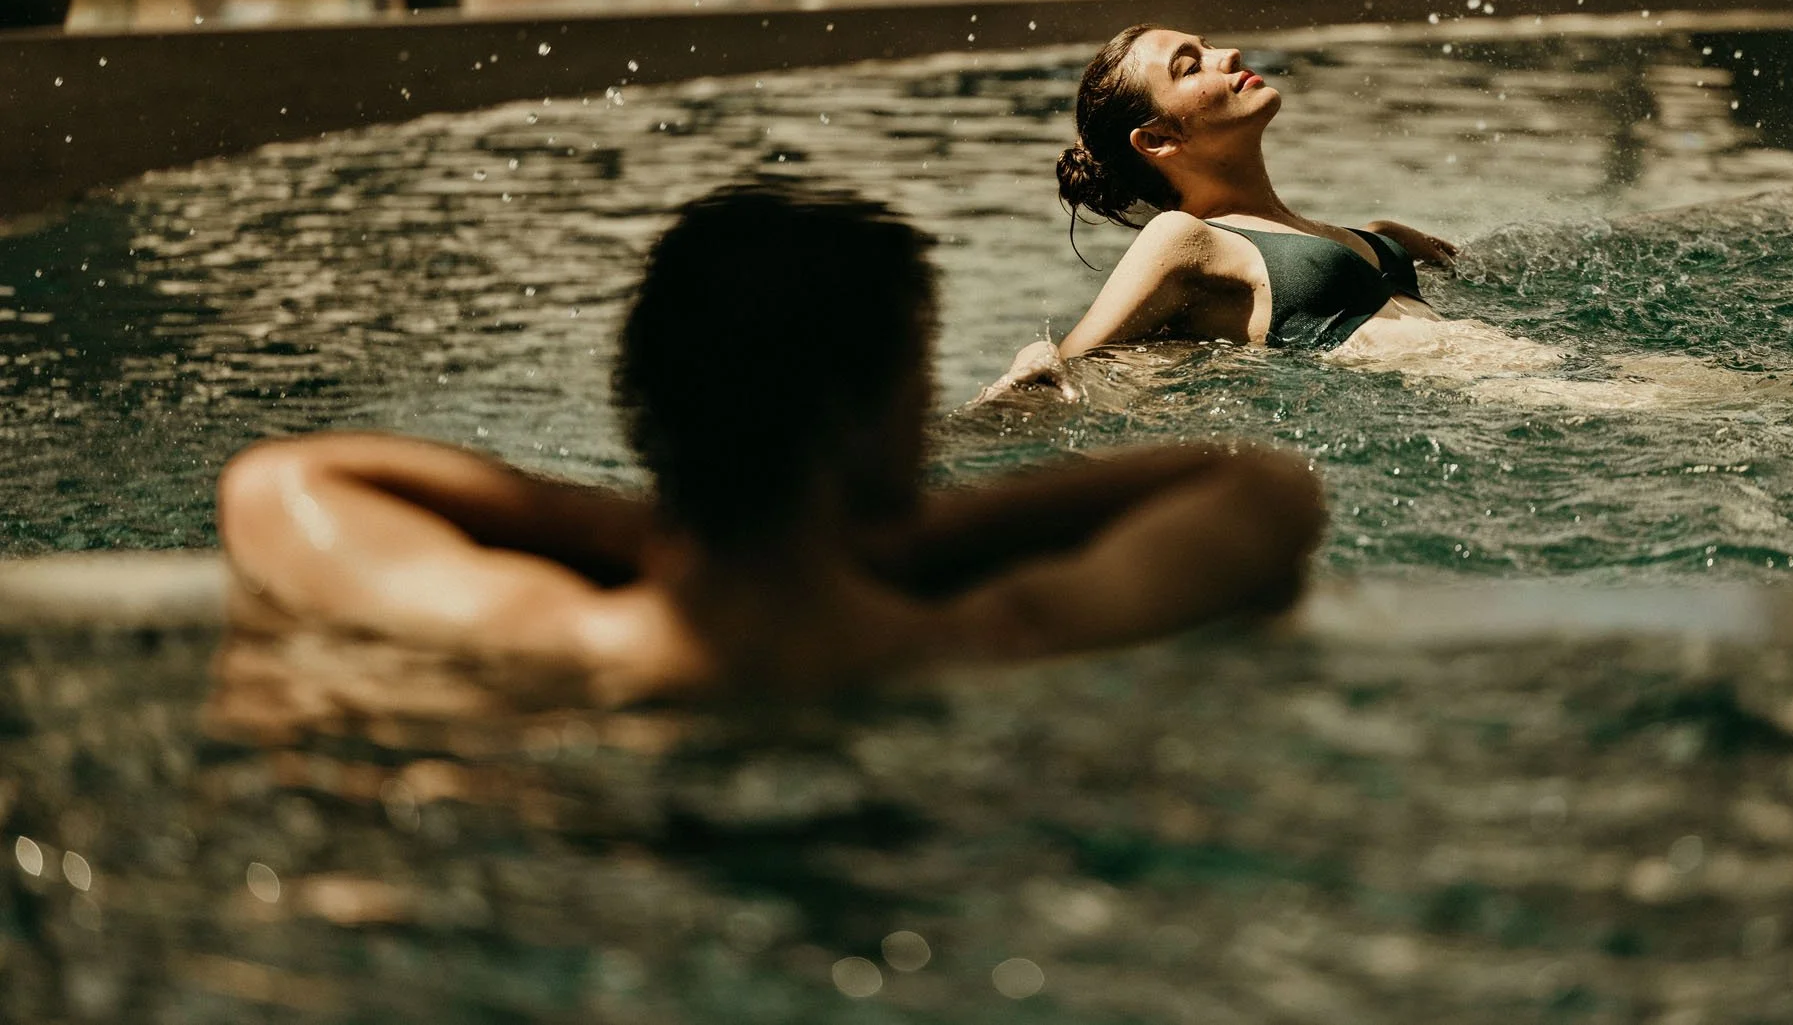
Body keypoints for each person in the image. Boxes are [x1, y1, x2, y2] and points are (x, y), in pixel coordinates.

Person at [215, 182, 1324, 706]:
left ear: (645, 398)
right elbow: (1260, 491)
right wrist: (899, 537)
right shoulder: (993, 639)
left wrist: (654, 528)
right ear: (881, 416)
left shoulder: (543, 637)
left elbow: (282, 480)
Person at [981, 25, 1565, 401]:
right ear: (1158, 139)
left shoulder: (1365, 239)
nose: (1227, 55)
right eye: (1191, 67)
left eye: (1208, 46)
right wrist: (1034, 362)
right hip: (1512, 399)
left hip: (1543, 376)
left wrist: (1388, 242)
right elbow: (1071, 364)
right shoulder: (1181, 237)